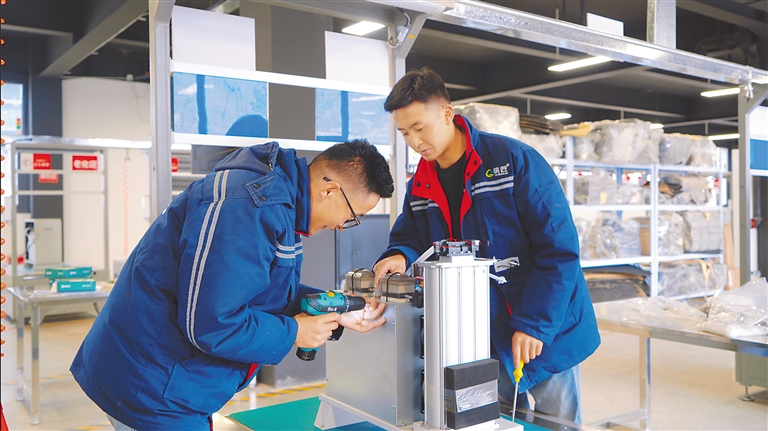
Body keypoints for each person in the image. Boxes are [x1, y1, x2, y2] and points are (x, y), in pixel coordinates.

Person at [71, 139, 394, 430]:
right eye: (352, 216)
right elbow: (212, 323)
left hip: (160, 375)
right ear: (329, 191)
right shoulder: (249, 207)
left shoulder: (279, 205)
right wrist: (295, 332)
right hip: (150, 386)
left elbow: (253, 290)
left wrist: (337, 309)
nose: (342, 226)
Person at [372, 67, 600, 422]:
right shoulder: (421, 182)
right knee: (499, 419)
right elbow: (411, 235)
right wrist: (399, 255)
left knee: (558, 422)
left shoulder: (514, 161)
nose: (414, 142)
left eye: (419, 127)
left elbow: (559, 250)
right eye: (404, 133)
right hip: (481, 331)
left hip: (545, 325)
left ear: (447, 113)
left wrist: (534, 324)